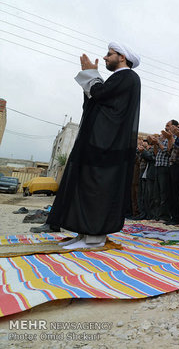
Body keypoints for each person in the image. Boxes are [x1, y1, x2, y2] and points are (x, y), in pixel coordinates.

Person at [47, 43, 141, 248]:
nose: (105, 58)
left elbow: (99, 94)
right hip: (97, 142)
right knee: (86, 185)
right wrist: (90, 76)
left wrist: (91, 73)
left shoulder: (128, 77)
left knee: (98, 188)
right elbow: (96, 99)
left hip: (107, 144)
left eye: (110, 54)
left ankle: (94, 238)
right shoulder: (118, 78)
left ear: (122, 57)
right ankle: (83, 234)